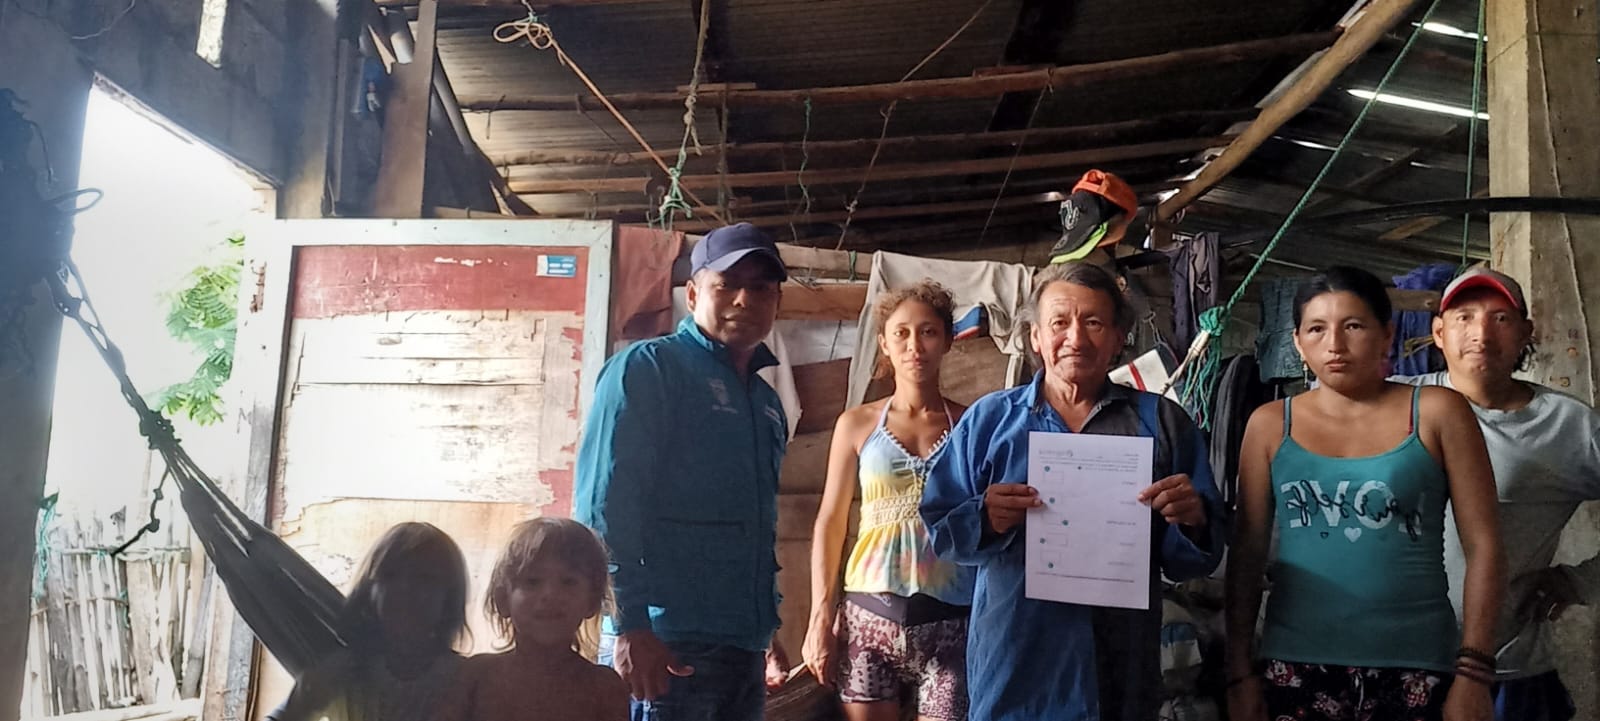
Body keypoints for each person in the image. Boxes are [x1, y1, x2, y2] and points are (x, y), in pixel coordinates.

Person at [920, 261, 1224, 721]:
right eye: (1059, 322)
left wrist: (1193, 521)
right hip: (1016, 662)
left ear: (1119, 337)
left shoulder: (1162, 422)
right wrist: (984, 518)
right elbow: (941, 531)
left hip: (1120, 666)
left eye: (1094, 322)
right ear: (1035, 337)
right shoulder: (990, 421)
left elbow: (1192, 560)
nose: (1076, 338)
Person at [1225, 266, 1505, 721]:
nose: (1334, 344)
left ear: (1386, 335)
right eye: (1316, 329)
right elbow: (1246, 556)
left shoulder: (1437, 412)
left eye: (1353, 326)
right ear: (1297, 342)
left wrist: (1474, 672)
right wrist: (1239, 673)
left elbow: (1486, 545)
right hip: (1294, 663)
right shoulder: (1270, 425)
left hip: (1417, 663)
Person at [575, 222, 791, 721]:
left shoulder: (766, 402)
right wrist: (629, 625)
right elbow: (603, 507)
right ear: (692, 295)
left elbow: (752, 527)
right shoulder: (649, 369)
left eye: (760, 288)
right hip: (664, 643)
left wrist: (765, 627)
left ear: (777, 302)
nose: (744, 299)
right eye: (726, 285)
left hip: (742, 646)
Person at [1395, 267, 1600, 721]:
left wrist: (1582, 580)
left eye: (1501, 319)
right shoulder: (1393, 403)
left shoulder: (1569, 426)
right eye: (1464, 317)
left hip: (1505, 670)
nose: (1481, 335)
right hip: (1391, 659)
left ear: (1527, 332)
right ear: (1439, 332)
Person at [802, 281, 974, 721]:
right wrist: (820, 617)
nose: (914, 345)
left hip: (951, 621)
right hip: (868, 618)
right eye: (901, 333)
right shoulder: (856, 424)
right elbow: (831, 522)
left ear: (948, 340)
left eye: (928, 332)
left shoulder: (970, 425)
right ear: (883, 342)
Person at [268, 522, 470, 721]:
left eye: (424, 579)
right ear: (369, 590)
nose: (405, 589)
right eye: (390, 575)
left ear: (449, 596)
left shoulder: (467, 680)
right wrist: (301, 704)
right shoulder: (342, 673)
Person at [449, 518, 629, 721]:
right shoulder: (475, 677)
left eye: (568, 582)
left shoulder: (604, 687)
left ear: (592, 602)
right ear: (503, 599)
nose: (550, 594)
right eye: (532, 582)